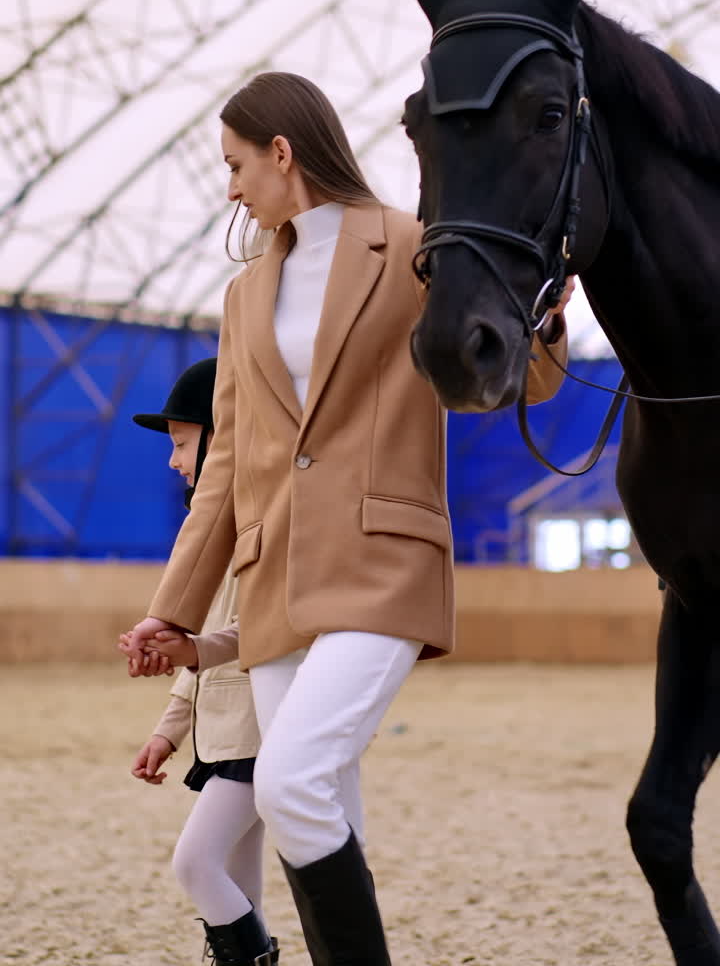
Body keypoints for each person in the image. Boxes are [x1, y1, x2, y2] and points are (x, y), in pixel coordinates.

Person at [125, 71, 570, 965]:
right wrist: (173, 609)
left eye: (236, 165)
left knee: (289, 783)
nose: (231, 187)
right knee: (319, 809)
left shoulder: (413, 249)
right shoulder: (246, 294)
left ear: (282, 153)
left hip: (384, 562)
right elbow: (227, 469)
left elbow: (517, 379)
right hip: (277, 577)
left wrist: (546, 326)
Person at [123, 358, 277, 966]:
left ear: (222, 435)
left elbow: (257, 630)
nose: (173, 459)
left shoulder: (261, 524)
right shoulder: (208, 532)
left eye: (182, 442)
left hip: (255, 734)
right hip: (221, 736)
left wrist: (193, 650)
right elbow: (208, 636)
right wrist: (168, 730)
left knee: (195, 862)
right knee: (242, 885)